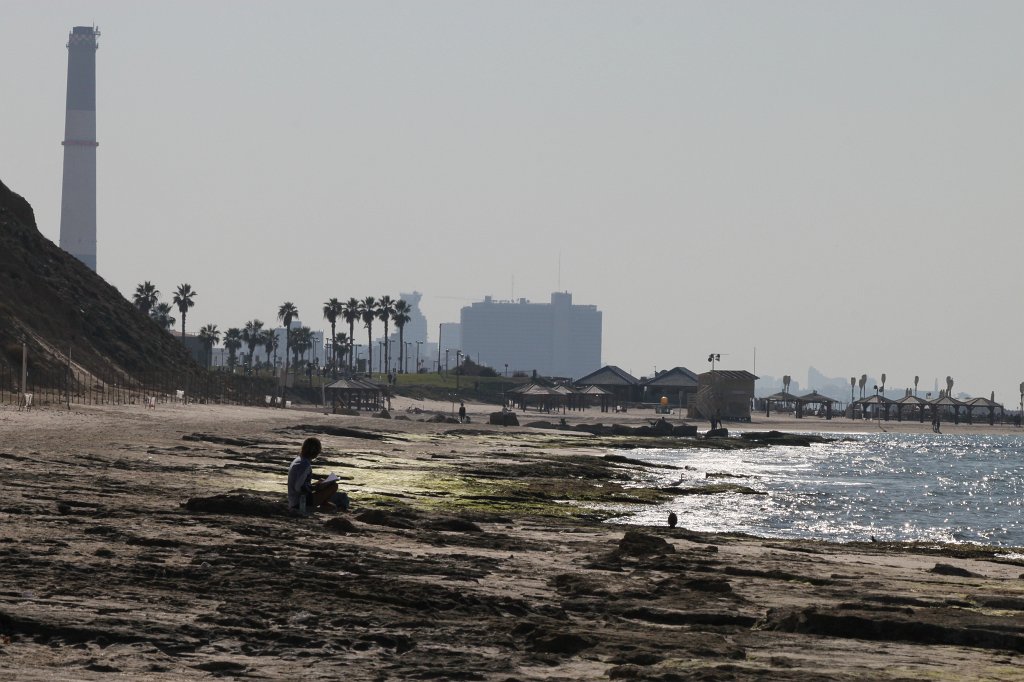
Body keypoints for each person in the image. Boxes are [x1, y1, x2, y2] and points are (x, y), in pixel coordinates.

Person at [288, 437, 348, 515]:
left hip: (294, 500)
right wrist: (315, 487)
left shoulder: (298, 460)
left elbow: (300, 483)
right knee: (334, 486)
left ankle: (324, 503)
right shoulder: (304, 464)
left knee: (327, 485)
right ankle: (324, 504)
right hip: (300, 501)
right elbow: (298, 487)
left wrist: (317, 484)